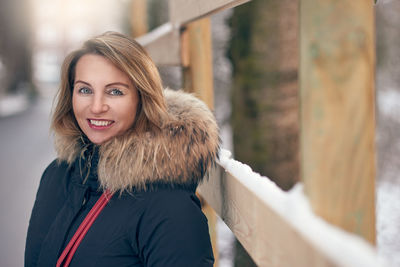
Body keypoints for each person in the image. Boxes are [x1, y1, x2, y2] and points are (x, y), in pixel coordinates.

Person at [25, 32, 219, 267]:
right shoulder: (57, 175)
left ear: (142, 98)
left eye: (115, 91)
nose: (96, 107)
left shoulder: (167, 206)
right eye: (85, 90)